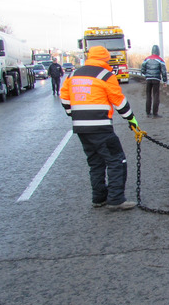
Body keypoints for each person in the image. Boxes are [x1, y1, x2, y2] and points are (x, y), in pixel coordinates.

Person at [60, 46, 142, 211]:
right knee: (117, 160)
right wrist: (132, 121)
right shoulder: (105, 76)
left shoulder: (73, 74)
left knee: (95, 163)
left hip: (81, 129)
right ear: (105, 59)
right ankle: (116, 199)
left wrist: (74, 114)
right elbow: (119, 101)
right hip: (101, 127)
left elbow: (64, 98)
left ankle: (99, 198)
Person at [139, 45, 168, 117]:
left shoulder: (146, 59)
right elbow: (164, 72)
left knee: (148, 95)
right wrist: (165, 81)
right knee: (156, 96)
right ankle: (155, 113)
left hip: (148, 79)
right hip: (156, 79)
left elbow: (142, 70)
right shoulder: (160, 60)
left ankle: (148, 113)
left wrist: (147, 74)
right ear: (158, 52)